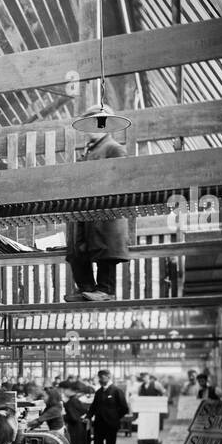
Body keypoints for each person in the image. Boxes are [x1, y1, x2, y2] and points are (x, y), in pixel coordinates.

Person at [64, 107, 131, 302]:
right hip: (85, 212)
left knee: (105, 248)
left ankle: (105, 290)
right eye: (88, 125)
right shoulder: (89, 152)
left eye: (97, 123)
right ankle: (86, 288)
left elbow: (121, 181)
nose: (91, 129)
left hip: (105, 212)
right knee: (77, 249)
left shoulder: (114, 149)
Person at [87, 369, 127, 444]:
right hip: (99, 424)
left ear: (109, 377)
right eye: (99, 377)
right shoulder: (99, 392)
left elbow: (124, 408)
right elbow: (93, 406)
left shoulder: (116, 391)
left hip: (111, 425)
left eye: (102, 377)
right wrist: (88, 416)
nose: (100, 379)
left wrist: (115, 418)